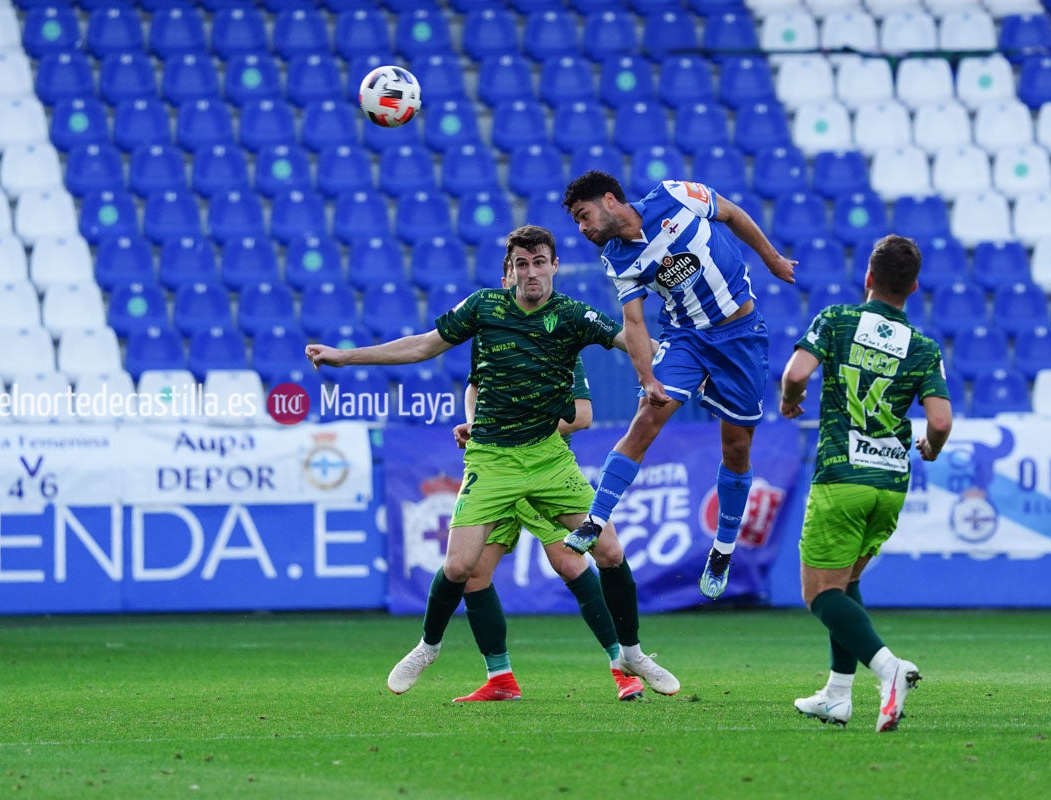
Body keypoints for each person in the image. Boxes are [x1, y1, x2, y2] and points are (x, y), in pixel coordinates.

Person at [305, 225, 679, 700]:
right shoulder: (484, 309)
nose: (530, 273)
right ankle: (428, 647)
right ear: (511, 270)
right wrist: (347, 357)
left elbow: (630, 340)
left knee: (607, 552)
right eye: (521, 264)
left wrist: (679, 368)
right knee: (461, 567)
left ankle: (632, 654)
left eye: (539, 262)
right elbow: (423, 345)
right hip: (494, 458)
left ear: (554, 265)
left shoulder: (573, 317)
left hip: (547, 457)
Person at [560, 171, 796, 600]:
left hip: (740, 335)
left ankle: (723, 549)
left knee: (737, 448)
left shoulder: (674, 195)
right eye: (577, 222)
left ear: (609, 200)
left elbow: (732, 213)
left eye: (583, 215)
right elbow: (633, 322)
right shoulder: (616, 258)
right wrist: (647, 377)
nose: (582, 228)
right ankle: (595, 520)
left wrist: (772, 258)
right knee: (646, 418)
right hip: (686, 339)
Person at [447, 257, 645, 703]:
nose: (522, 279)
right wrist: (478, 427)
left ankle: (623, 667)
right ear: (506, 282)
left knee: (572, 562)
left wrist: (518, 432)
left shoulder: (558, 343)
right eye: (515, 272)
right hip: (496, 473)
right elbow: (474, 390)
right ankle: (500, 678)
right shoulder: (492, 341)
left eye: (534, 267)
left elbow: (584, 415)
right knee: (473, 574)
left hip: (541, 473)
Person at [778, 234, 953, 733]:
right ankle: (837, 694)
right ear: (914, 286)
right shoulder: (923, 347)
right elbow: (939, 423)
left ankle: (888, 667)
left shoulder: (837, 320)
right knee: (847, 582)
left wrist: (792, 400)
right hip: (892, 481)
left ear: (869, 278)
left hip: (842, 476)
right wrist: (931, 449)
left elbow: (796, 372)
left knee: (818, 594)